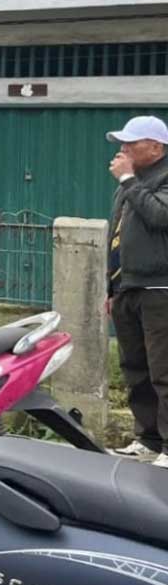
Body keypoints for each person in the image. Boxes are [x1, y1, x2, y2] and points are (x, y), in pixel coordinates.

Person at [105, 116, 168, 468]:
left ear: (156, 147)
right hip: (127, 286)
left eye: (132, 143)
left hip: (161, 288)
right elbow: (118, 236)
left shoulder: (155, 179)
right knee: (135, 368)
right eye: (122, 143)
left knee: (164, 371)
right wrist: (110, 287)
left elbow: (160, 216)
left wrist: (128, 179)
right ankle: (147, 439)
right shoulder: (128, 185)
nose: (123, 150)